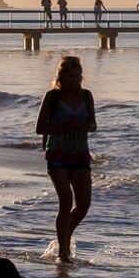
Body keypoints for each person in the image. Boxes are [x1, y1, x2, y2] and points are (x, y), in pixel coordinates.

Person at [35, 56, 96, 264]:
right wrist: (66, 126)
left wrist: (85, 125)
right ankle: (63, 252)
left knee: (84, 204)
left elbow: (93, 124)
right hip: (57, 153)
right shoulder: (52, 97)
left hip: (80, 153)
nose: (74, 80)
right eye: (70, 76)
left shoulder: (86, 96)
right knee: (65, 201)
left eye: (77, 76)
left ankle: (65, 236)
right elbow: (40, 128)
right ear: (61, 77)